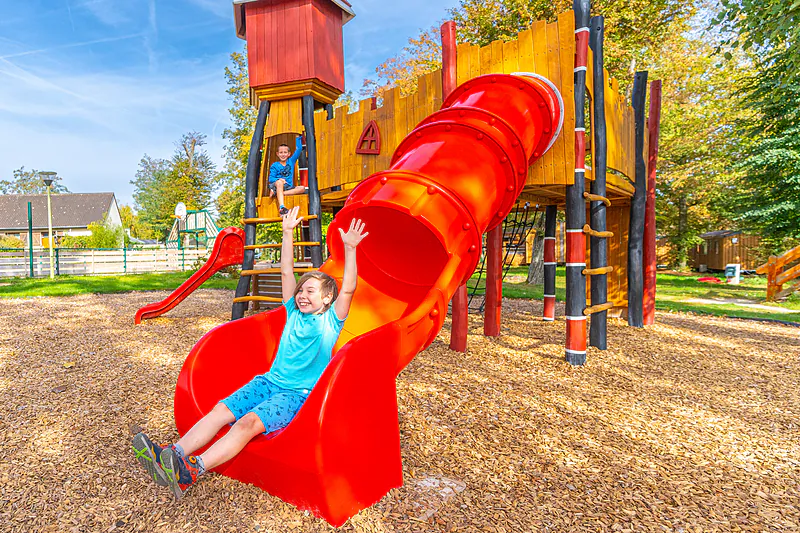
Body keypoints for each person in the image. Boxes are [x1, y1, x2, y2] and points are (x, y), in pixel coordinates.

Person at [132, 206, 368, 499]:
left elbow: (349, 289)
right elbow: (285, 270)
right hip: (267, 382)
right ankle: (171, 453)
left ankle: (191, 470)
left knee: (247, 423)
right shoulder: (293, 311)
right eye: (302, 290)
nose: (303, 295)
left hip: (296, 395)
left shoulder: (330, 320)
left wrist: (351, 249)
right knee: (220, 410)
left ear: (327, 298)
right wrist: (286, 232)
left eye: (311, 291)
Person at [269, 136, 306, 215]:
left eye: (285, 152)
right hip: (277, 185)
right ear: (277, 154)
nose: (283, 154)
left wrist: (298, 137)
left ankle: (278, 193)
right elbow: (271, 178)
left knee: (302, 188)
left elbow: (299, 149)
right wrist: (280, 179)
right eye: (281, 152)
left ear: (289, 154)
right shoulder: (275, 165)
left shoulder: (291, 161)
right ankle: (282, 207)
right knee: (279, 183)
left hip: (288, 187)